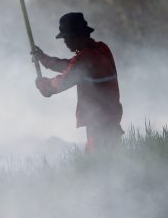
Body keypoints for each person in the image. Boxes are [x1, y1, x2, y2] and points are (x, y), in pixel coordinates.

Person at [32, 12, 124, 151]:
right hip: (111, 120)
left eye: (66, 37)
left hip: (99, 125)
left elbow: (63, 82)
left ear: (75, 36)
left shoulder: (84, 59)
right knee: (113, 158)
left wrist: (43, 85)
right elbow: (72, 67)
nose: (64, 41)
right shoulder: (102, 49)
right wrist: (44, 59)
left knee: (96, 161)